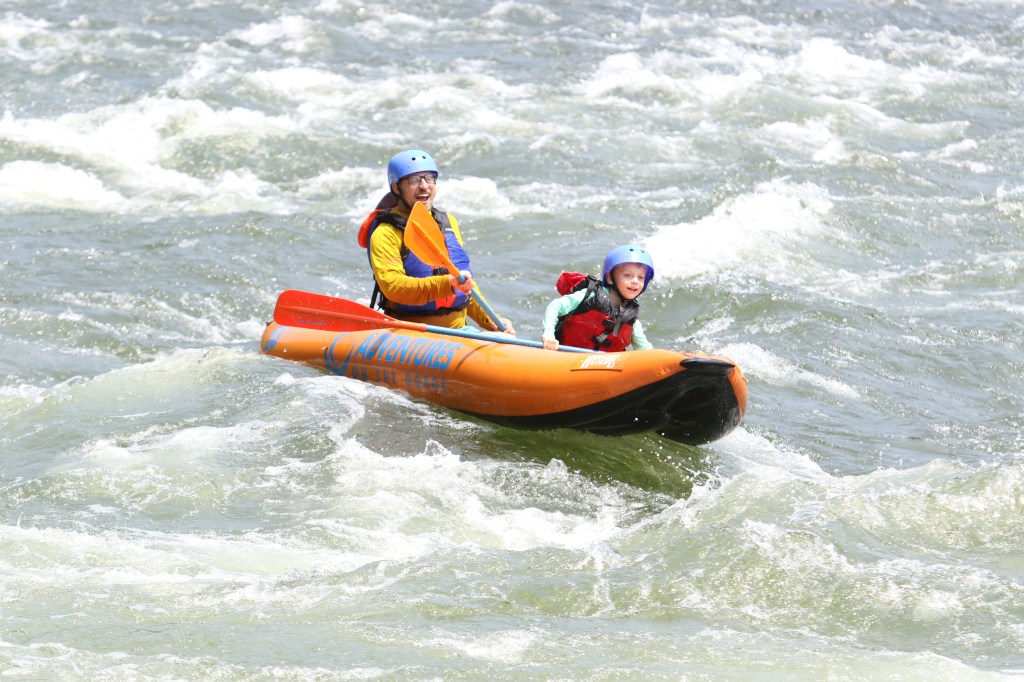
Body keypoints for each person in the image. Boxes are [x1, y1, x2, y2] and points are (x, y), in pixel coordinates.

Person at [357, 149, 514, 334]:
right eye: (414, 180)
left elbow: (464, 285)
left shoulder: (448, 223)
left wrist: (489, 320)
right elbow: (393, 287)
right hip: (409, 333)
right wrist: (447, 284)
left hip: (459, 330)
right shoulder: (386, 233)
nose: (424, 186)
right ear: (396, 188)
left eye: (429, 178)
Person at [541, 244, 654, 351]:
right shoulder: (591, 295)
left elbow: (645, 349)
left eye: (640, 277)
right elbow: (555, 306)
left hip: (599, 365)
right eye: (627, 275)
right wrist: (549, 335)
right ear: (610, 278)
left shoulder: (631, 318)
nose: (635, 281)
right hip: (564, 354)